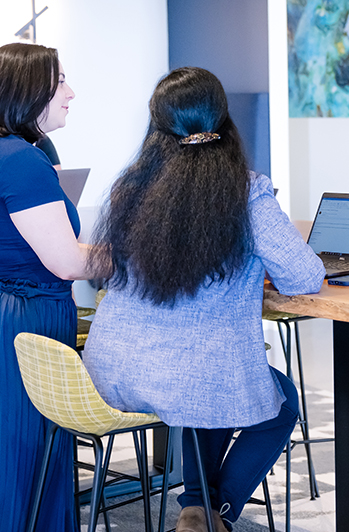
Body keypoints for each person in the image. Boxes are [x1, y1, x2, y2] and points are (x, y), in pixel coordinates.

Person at [82, 66, 326, 532]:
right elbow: (304, 277)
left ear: (156, 125)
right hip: (192, 375)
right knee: (280, 400)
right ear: (224, 118)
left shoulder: (129, 188)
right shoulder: (247, 191)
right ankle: (215, 513)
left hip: (112, 368)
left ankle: (196, 507)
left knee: (211, 389)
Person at [0, 43, 90, 531]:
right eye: (59, 83)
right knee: (26, 454)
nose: (69, 93)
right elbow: (68, 261)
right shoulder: (21, 162)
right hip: (27, 323)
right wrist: (141, 252)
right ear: (28, 90)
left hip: (12, 317)